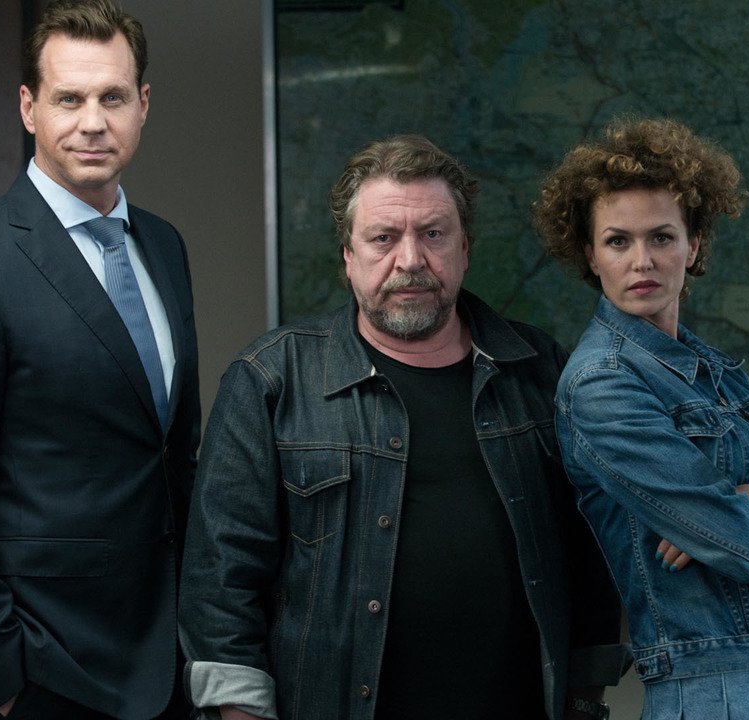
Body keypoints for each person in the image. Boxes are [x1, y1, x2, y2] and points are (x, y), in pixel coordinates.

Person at [179, 135, 627, 720]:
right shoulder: (272, 379)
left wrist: (586, 697)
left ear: (465, 248)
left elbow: (591, 555)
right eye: (384, 238)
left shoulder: (541, 371)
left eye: (433, 234)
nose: (411, 260)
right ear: (348, 255)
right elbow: (220, 580)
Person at [0, 1, 200, 718]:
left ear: (143, 104)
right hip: (44, 669)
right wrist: (2, 675)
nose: (93, 122)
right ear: (29, 108)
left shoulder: (163, 245)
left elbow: (170, 452)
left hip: (167, 660)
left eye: (113, 98)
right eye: (69, 99)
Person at [535, 117, 749, 720]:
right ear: (590, 255)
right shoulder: (600, 383)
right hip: (714, 688)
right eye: (618, 241)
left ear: (695, 245)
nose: (642, 261)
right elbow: (744, 545)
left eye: (662, 237)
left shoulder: (713, 369)